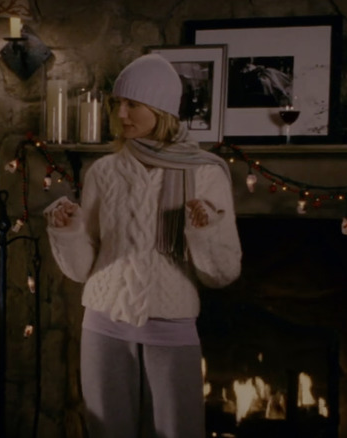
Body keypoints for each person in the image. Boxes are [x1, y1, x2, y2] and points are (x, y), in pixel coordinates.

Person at [44, 53, 242, 438]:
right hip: (103, 320)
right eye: (118, 103)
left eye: (132, 104)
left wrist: (204, 232)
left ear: (161, 108)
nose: (121, 113)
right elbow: (82, 269)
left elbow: (223, 273)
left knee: (177, 431)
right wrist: (69, 232)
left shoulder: (205, 173)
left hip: (171, 324)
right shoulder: (103, 171)